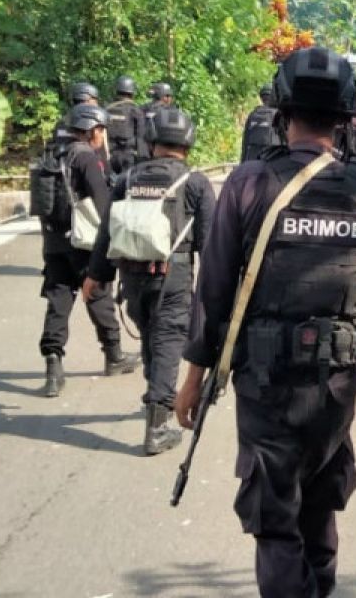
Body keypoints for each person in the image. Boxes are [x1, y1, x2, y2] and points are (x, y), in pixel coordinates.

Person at [173, 46, 356, 598]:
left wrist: (194, 376)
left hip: (266, 386)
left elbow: (214, 287)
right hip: (335, 388)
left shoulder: (246, 184)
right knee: (318, 511)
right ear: (345, 118)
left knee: (275, 526)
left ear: (282, 112)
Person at [84, 106, 216, 455]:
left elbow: (105, 233)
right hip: (173, 278)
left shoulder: (127, 179)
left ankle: (154, 400)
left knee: (150, 341)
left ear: (151, 140)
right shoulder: (195, 183)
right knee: (168, 343)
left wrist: (97, 277)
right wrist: (213, 291)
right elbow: (211, 244)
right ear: (188, 143)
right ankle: (157, 425)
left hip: (132, 279)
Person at [37, 104, 139, 398]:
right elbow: (103, 202)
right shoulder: (84, 157)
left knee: (58, 299)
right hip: (81, 242)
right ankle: (114, 355)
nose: (103, 136)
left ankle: (53, 368)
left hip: (53, 241)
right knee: (97, 294)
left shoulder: (52, 154)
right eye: (101, 130)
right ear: (92, 129)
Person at [106, 75, 150, 176]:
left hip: (109, 156)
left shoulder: (106, 110)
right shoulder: (136, 111)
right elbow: (141, 138)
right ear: (132, 93)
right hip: (128, 157)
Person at [241, 82, 283, 162]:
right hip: (273, 161)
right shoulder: (279, 115)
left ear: (261, 97)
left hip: (252, 161)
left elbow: (245, 143)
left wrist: (242, 165)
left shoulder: (252, 115)